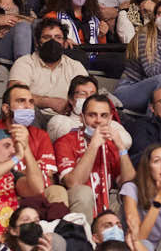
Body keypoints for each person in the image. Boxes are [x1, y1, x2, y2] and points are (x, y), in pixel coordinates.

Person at [53, 93, 134, 221]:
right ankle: (82, 239)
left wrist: (121, 148)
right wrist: (93, 146)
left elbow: (128, 181)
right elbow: (73, 183)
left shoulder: (112, 145)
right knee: (84, 193)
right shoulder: (65, 142)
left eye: (104, 116)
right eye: (92, 115)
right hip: (75, 205)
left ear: (110, 119)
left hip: (106, 205)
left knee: (132, 191)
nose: (98, 120)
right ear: (82, 118)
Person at [7, 19, 90, 115]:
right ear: (37, 43)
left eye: (58, 37)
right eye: (47, 37)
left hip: (66, 118)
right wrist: (49, 102)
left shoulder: (75, 66)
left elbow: (89, 97)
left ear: (64, 43)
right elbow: (14, 94)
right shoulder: (24, 63)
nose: (53, 41)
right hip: (35, 115)